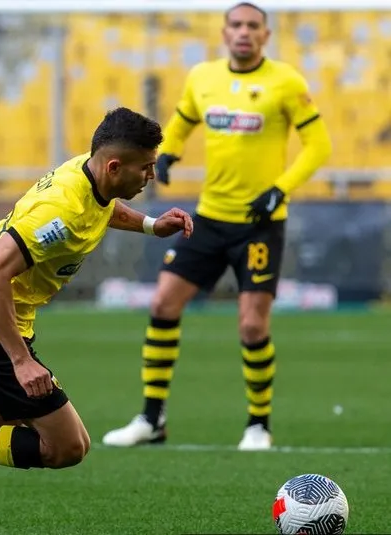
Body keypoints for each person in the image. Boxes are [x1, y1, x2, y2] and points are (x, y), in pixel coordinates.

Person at [0, 107, 194, 535]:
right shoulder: (61, 210)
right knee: (68, 447)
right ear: (114, 165)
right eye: (145, 168)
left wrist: (149, 226)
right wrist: (20, 360)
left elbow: (102, 209)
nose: (150, 175)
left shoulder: (88, 176)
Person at [102, 2, 332, 451]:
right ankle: (152, 420)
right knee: (164, 303)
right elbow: (184, 118)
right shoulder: (203, 77)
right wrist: (166, 153)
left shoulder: (286, 82)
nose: (244, 32)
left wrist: (280, 189)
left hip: (260, 224)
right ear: (224, 33)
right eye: (236, 25)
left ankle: (258, 426)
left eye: (253, 26)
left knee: (251, 326)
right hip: (208, 218)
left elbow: (318, 146)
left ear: (265, 35)